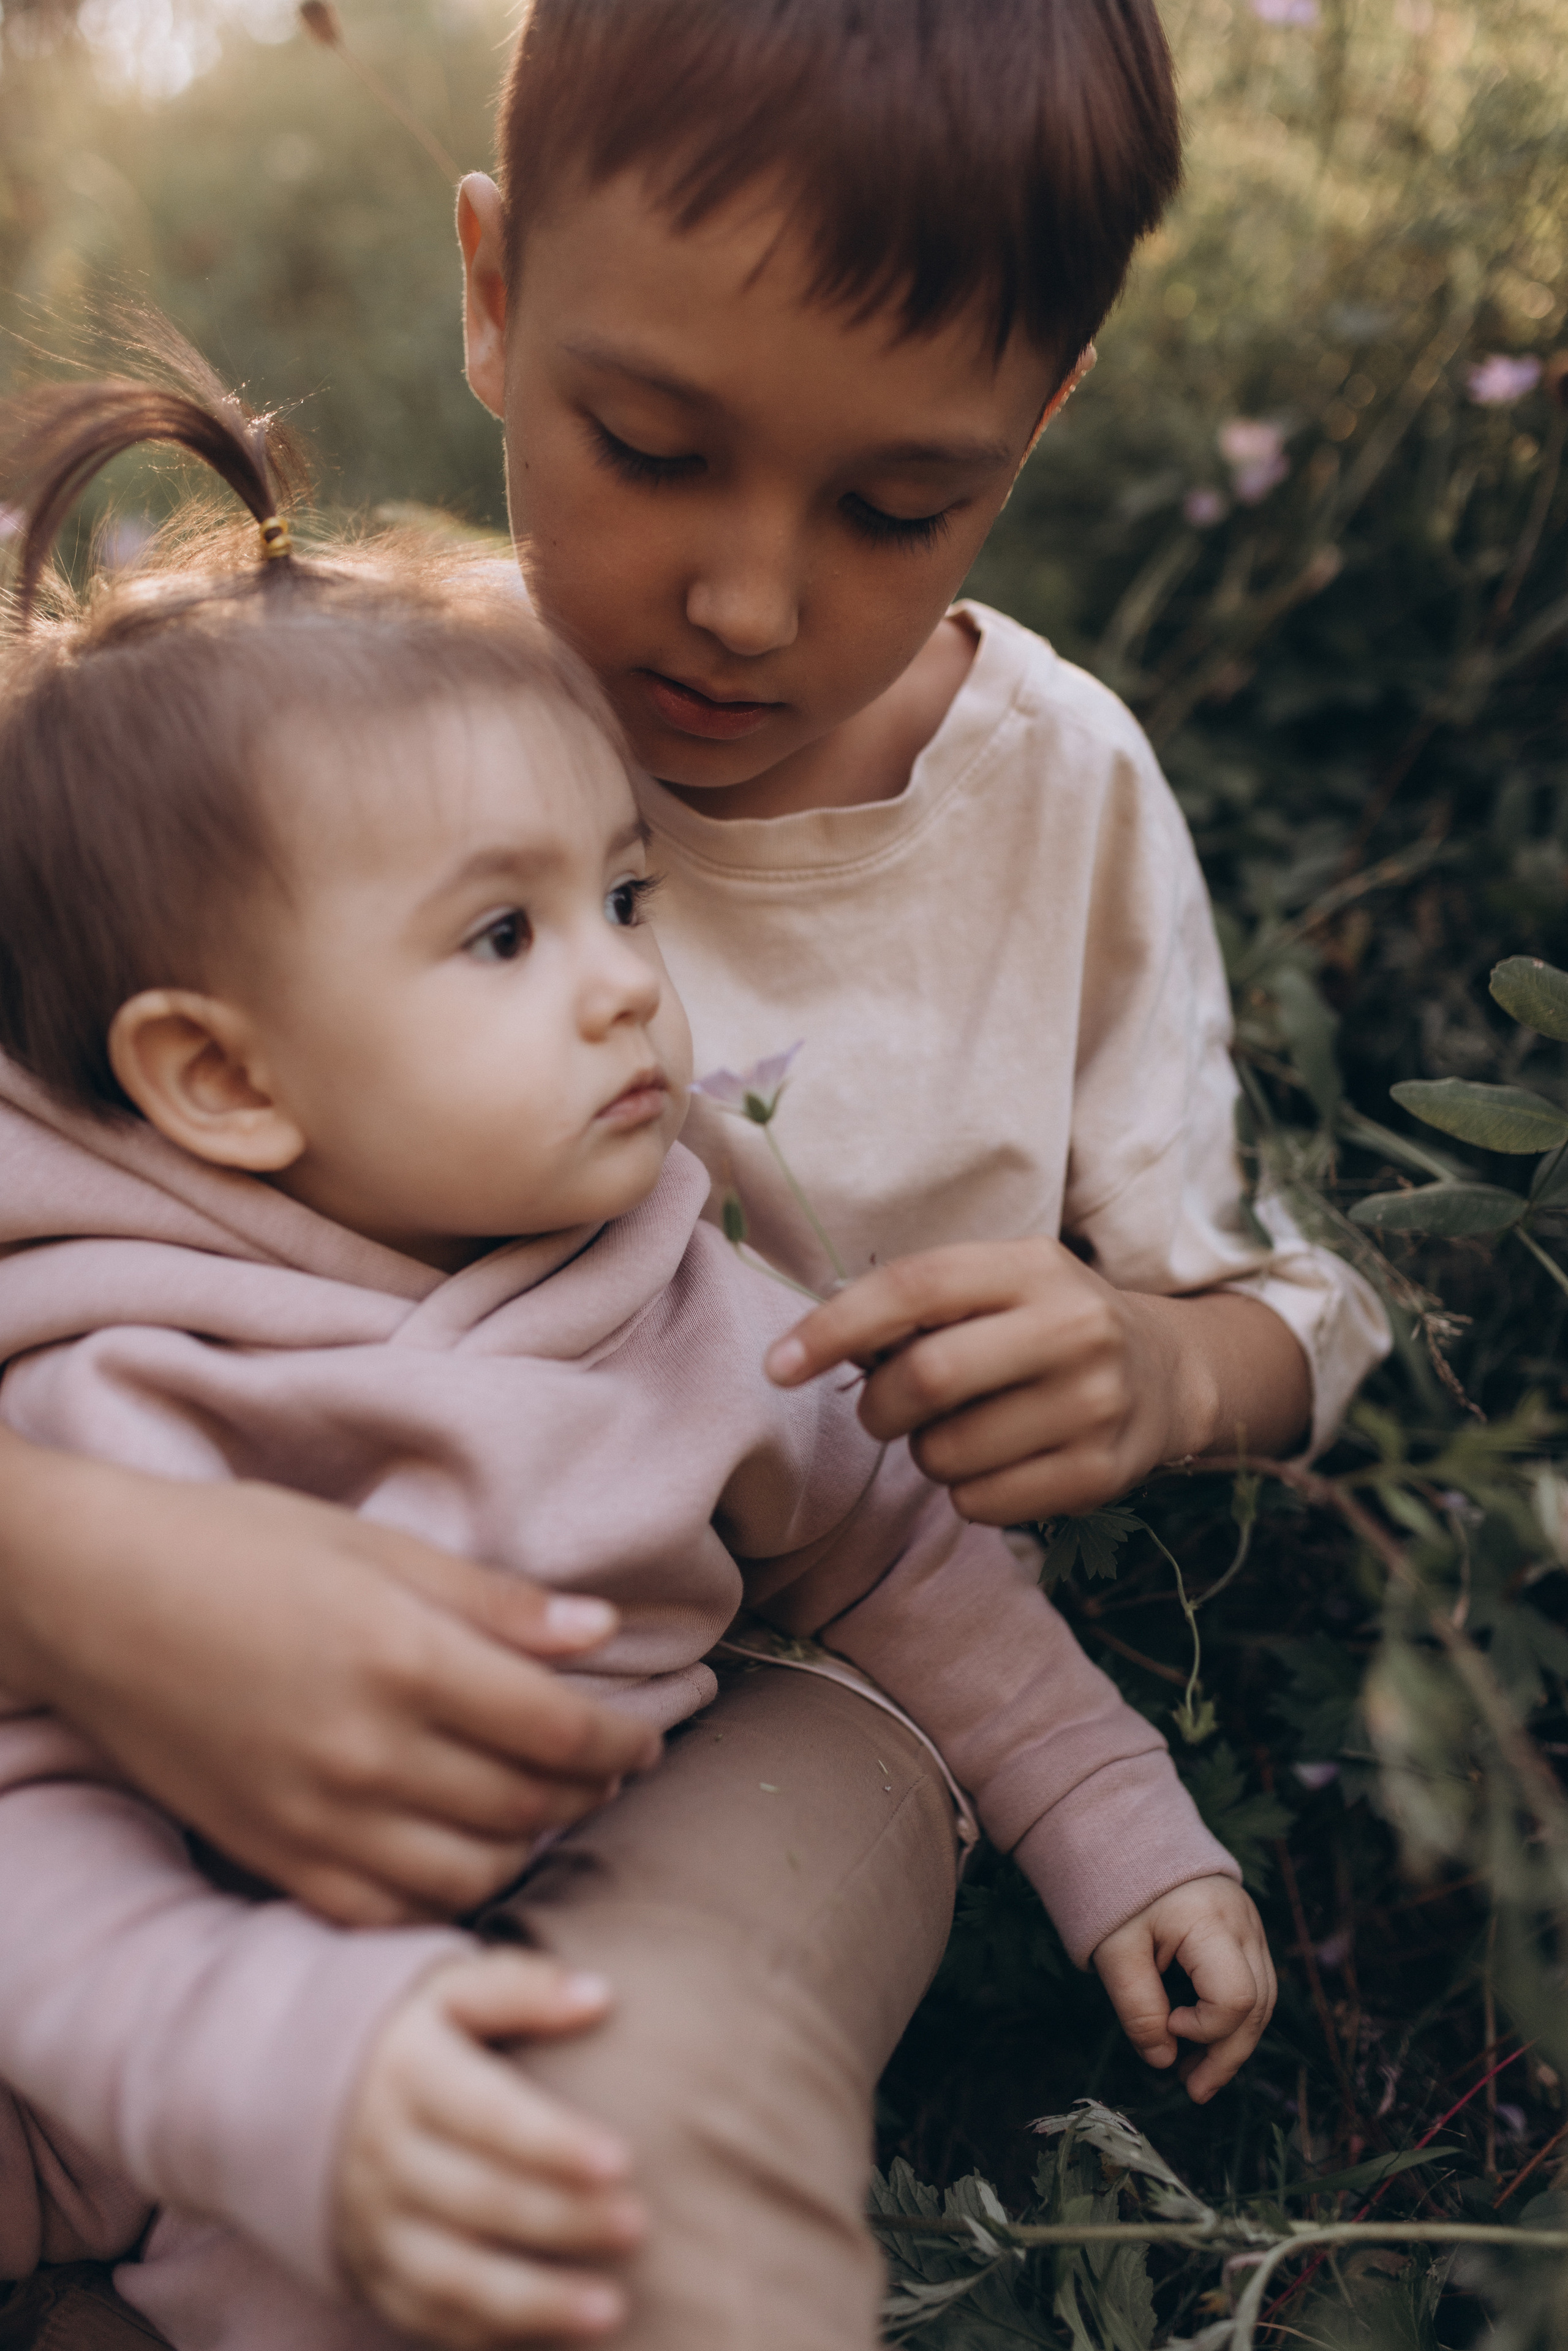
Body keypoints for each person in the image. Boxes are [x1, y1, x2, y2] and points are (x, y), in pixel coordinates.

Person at [0, 347, 1270, 2351]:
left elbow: (894, 1553)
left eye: (621, 896)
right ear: (220, 1079)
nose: (624, 993)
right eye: (505, 939)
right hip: (172, 2030)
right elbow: (37, 1849)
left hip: (567, 1918)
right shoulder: (114, 1384)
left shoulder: (684, 1284)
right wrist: (259, 2046)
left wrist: (1115, 1824)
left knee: (533, 2204)